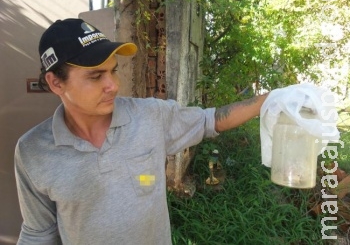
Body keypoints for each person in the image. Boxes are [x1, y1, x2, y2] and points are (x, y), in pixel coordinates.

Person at [14, 18, 268, 245]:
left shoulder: (150, 116)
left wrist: (269, 100)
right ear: (56, 82)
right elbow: (39, 233)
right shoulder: (33, 151)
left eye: (113, 70)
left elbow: (210, 120)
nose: (113, 85)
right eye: (95, 76)